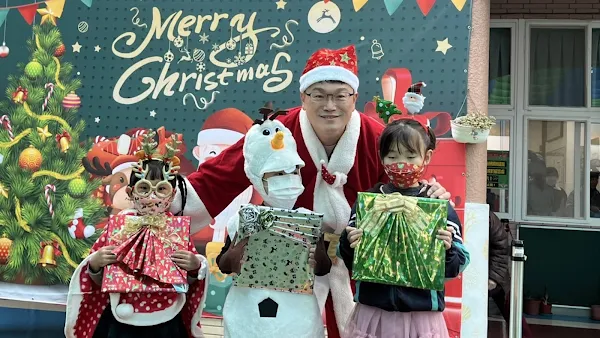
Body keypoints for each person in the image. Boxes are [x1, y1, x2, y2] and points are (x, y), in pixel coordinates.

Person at [173, 44, 452, 337]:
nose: (329, 105)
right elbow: (223, 173)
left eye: (340, 95)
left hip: (359, 262)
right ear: (303, 98)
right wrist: (167, 201)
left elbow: (403, 185)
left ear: (354, 98)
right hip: (292, 263)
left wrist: (428, 196)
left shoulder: (377, 138)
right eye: (318, 95)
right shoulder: (278, 132)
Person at [65, 131, 209, 338]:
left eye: (161, 189)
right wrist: (95, 264)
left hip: (167, 320)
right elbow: (96, 278)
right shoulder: (117, 228)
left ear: (172, 195)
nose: (152, 196)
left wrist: (195, 267)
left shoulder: (177, 232)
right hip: (121, 317)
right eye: (144, 188)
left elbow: (189, 280)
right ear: (132, 193)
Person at [339, 113, 469, 338]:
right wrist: (348, 242)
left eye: (411, 156)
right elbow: (349, 260)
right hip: (373, 312)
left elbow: (457, 265)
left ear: (426, 157)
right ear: (381, 158)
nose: (402, 164)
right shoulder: (369, 202)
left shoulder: (436, 204)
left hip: (421, 316)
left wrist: (447, 250)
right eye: (392, 156)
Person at [215, 108, 331, 337]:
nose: (287, 179)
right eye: (277, 174)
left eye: (292, 172)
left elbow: (323, 268)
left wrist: (315, 251)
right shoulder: (241, 219)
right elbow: (224, 264)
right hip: (247, 315)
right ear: (259, 178)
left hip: (298, 318)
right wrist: (240, 246)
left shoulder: (308, 220)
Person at [487, 210, 533, 338]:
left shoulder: (488, 218)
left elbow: (501, 248)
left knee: (514, 315)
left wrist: (493, 279)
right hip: (473, 276)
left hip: (496, 279)